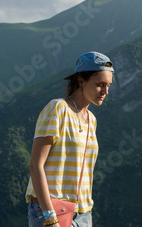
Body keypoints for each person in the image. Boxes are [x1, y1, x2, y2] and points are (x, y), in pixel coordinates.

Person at [25, 51, 114, 227]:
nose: (105, 91)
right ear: (81, 80)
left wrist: (86, 215)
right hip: (51, 212)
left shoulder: (92, 120)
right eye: (100, 84)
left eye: (108, 85)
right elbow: (36, 165)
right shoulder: (58, 109)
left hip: (82, 214)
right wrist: (50, 218)